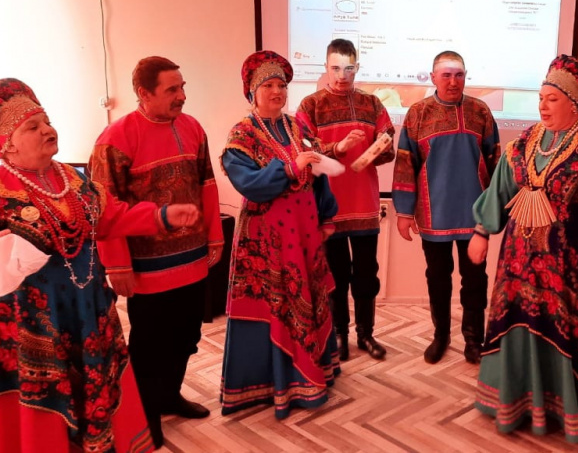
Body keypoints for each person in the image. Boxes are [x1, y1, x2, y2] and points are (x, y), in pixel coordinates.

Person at [0, 78, 200, 452]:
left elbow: (110, 218)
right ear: (7, 142)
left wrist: (160, 216)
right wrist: (2, 244)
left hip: (87, 313)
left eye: (46, 121)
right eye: (33, 126)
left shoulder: (72, 179)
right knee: (43, 421)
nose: (48, 130)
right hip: (27, 329)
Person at [467, 55, 578, 443]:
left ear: (574, 103)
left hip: (571, 267)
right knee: (518, 322)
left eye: (552, 99)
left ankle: (571, 411)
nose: (543, 106)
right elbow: (500, 188)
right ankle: (517, 403)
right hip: (518, 265)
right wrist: (481, 231)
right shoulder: (524, 142)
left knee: (569, 331)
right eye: (541, 99)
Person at [89, 56, 224, 445]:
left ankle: (168, 396)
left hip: (193, 258)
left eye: (182, 87)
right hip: (146, 268)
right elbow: (104, 210)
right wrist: (117, 265)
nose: (182, 96)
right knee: (150, 345)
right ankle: (145, 414)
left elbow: (207, 185)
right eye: (172, 89)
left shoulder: (192, 127)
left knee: (186, 335)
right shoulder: (115, 139)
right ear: (143, 93)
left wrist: (215, 237)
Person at [219, 50, 341, 418]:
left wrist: (327, 215)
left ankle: (312, 373)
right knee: (273, 304)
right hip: (266, 240)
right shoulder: (242, 134)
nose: (277, 91)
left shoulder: (299, 127)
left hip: (304, 233)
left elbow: (318, 173)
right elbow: (249, 185)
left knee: (309, 297)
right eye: (268, 85)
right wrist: (289, 167)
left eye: (282, 85)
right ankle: (270, 383)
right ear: (252, 92)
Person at [392, 51, 500, 364]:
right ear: (433, 77)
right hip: (433, 213)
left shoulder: (480, 111)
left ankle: (474, 340)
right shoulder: (418, 113)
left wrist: (495, 209)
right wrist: (403, 211)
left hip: (474, 216)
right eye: (447, 75)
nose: (453, 82)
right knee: (438, 279)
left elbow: (495, 160)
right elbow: (405, 163)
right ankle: (441, 336)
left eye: (459, 75)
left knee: (475, 280)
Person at [295, 39, 395, 361]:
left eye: (349, 68)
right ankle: (339, 334)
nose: (342, 75)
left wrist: (377, 148)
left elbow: (388, 145)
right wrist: (337, 148)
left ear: (357, 68)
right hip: (328, 208)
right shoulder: (310, 105)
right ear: (325, 67)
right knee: (335, 276)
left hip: (365, 205)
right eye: (336, 68)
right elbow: (302, 150)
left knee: (366, 275)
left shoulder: (372, 104)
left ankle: (366, 334)